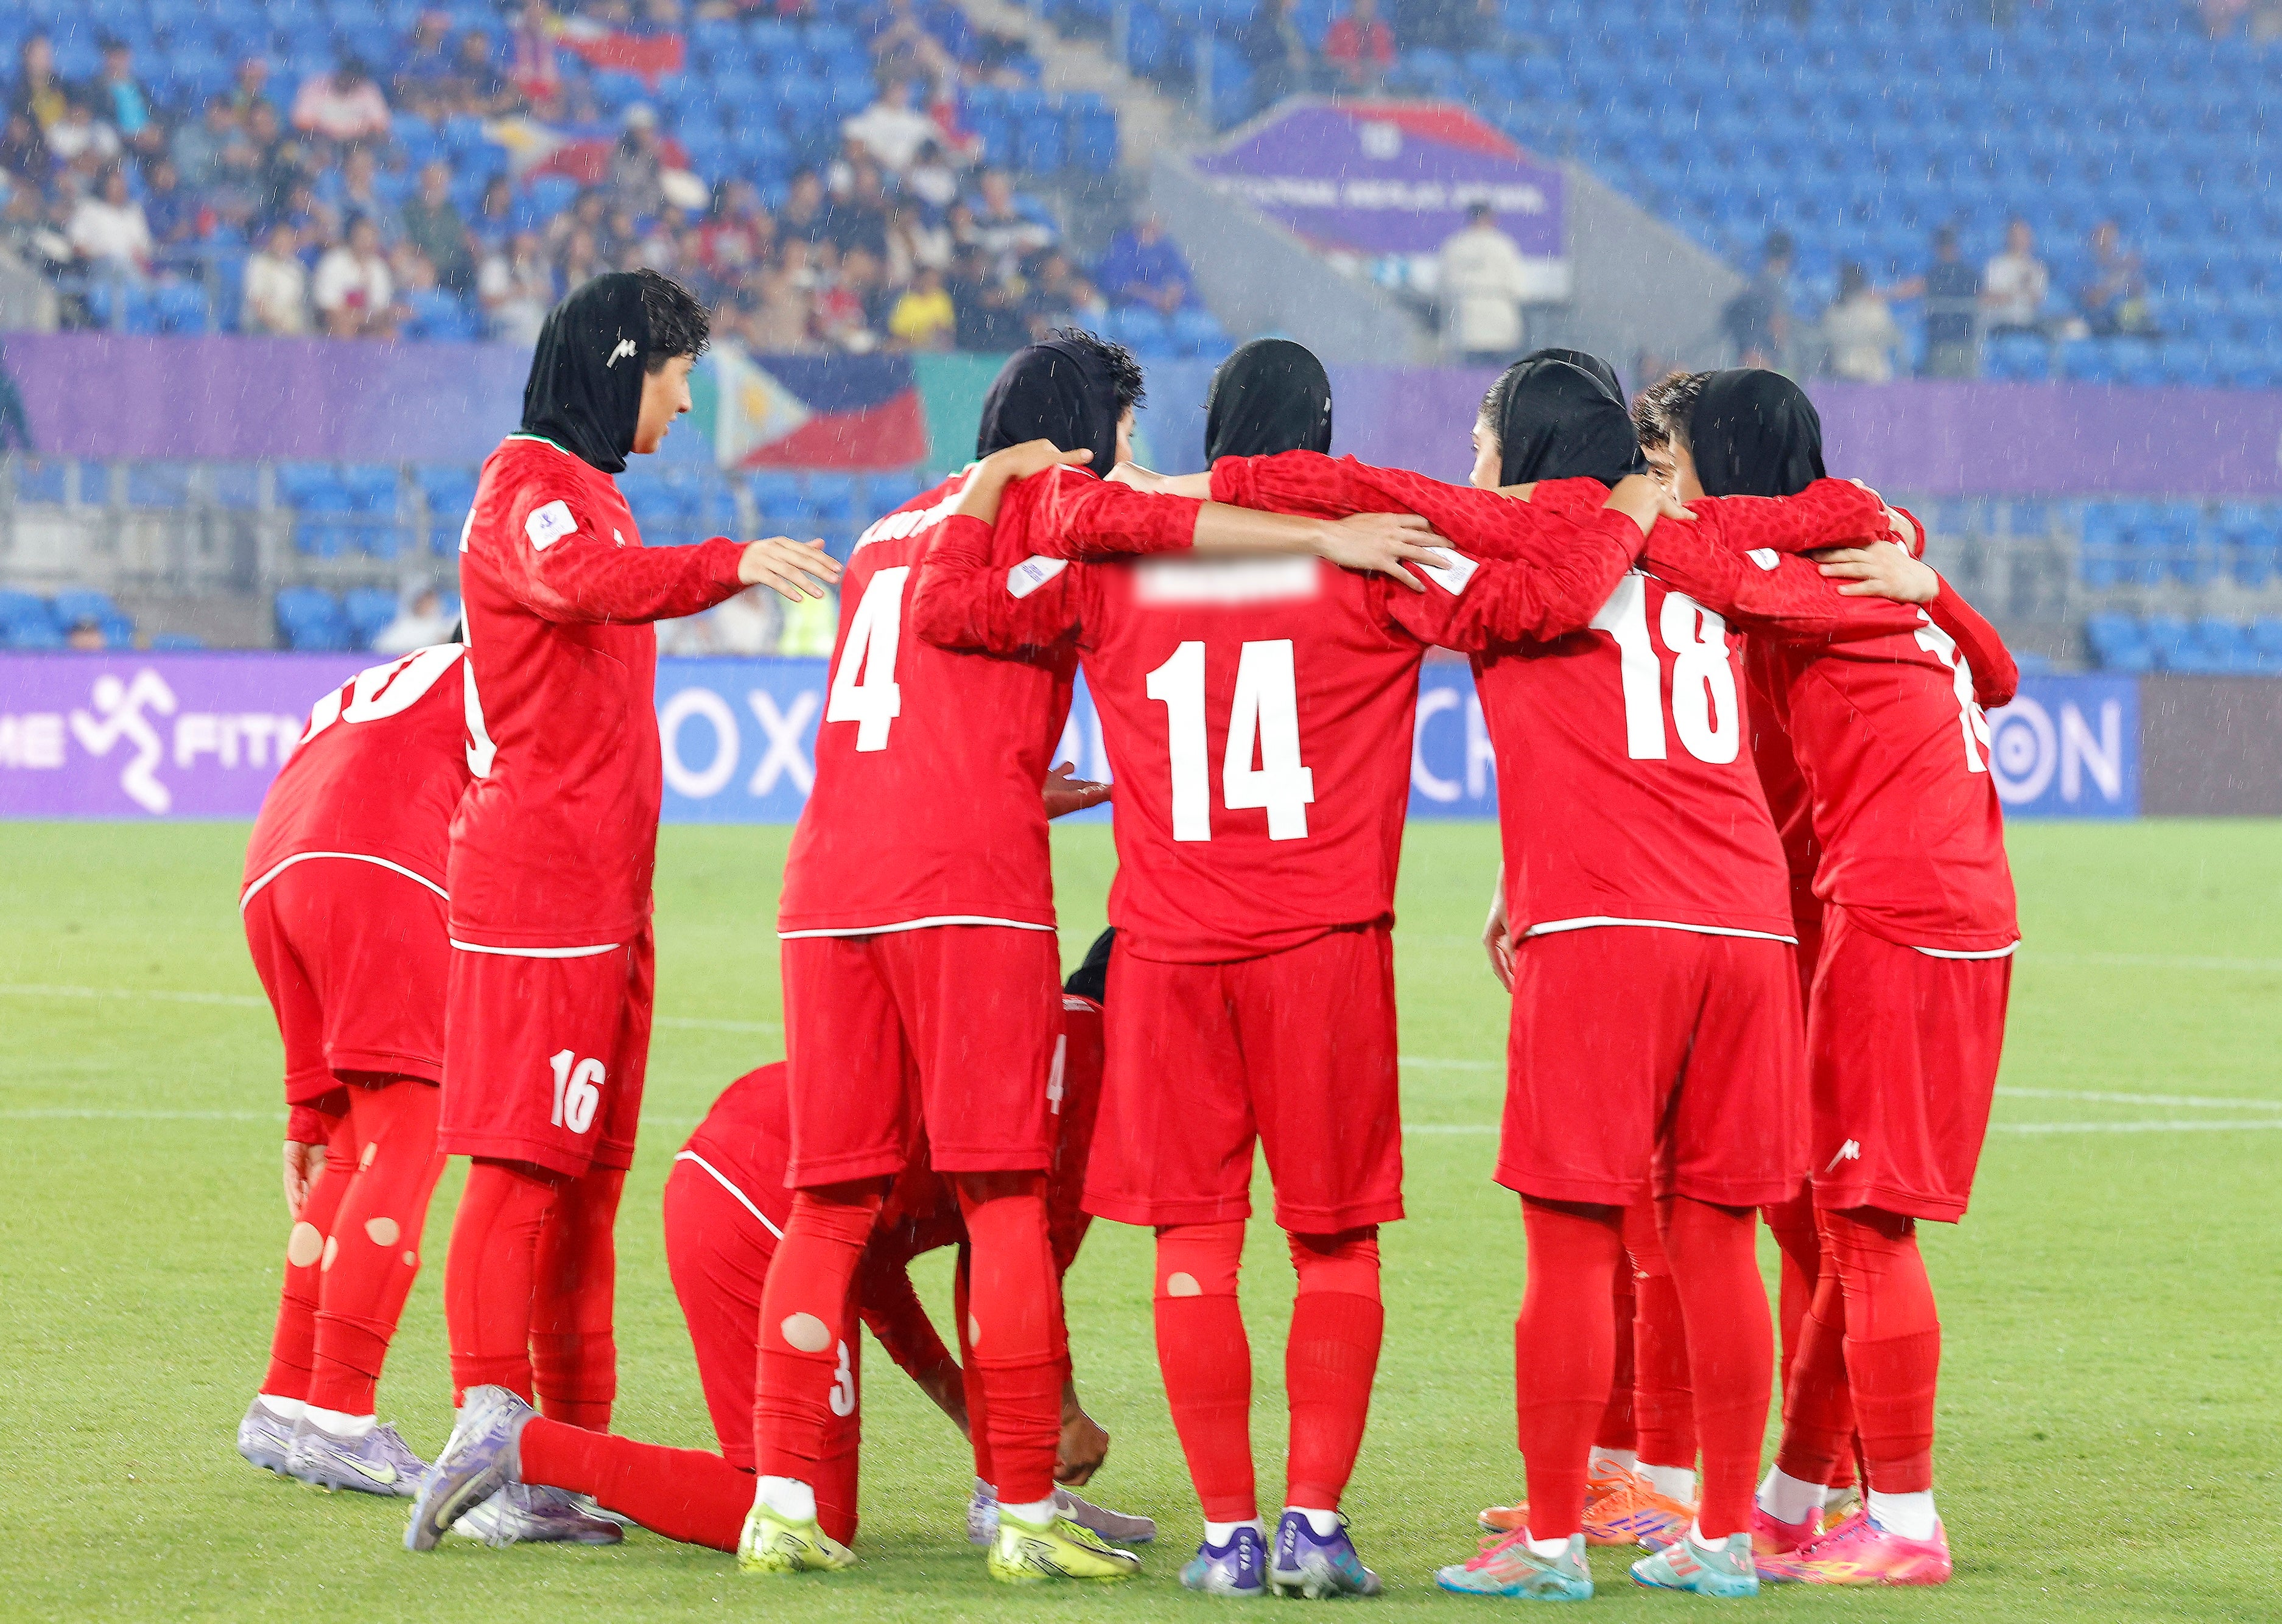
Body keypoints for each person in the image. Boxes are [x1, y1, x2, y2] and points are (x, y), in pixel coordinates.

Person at [1196, 360, 1934, 1603]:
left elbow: (1353, 522)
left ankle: (1547, 1543)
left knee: (1571, 1244)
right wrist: (1911, 555)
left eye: (1481, 439)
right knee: (1713, 1240)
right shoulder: (1698, 542)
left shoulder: (1499, 555)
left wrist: (1189, 497)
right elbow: (1844, 535)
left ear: (1524, 449)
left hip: (1599, 924)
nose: (1469, 461)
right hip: (1747, 927)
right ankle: (1716, 1535)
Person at [915, 340, 1638, 1600]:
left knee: (1193, 1239)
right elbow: (1528, 607)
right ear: (1320, 432)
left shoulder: (1118, 565)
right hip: (1322, 948)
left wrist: (983, 493)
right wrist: (1616, 513)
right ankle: (1312, 1523)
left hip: (1167, 951)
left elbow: (956, 608)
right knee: (1330, 1245)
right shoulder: (1366, 561)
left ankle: (1226, 1536)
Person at [750, 332, 1442, 1584]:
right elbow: (1158, 523)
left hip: (833, 883)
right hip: (987, 893)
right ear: (1083, 441)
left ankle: (783, 1496)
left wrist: (1015, 773)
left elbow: (928, 668)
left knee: (832, 1197)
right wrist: (1329, 526)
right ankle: (1018, 1500)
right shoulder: (1075, 519)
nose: (1140, 461)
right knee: (1005, 1193)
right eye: (1123, 436)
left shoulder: (882, 536)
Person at [409, 271, 840, 1552]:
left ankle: (556, 1459)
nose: (689, 400)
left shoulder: (587, 490)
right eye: (676, 373)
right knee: (519, 1162)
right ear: (617, 363)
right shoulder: (528, 486)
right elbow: (589, 585)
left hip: (604, 895)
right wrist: (728, 565)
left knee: (586, 1179)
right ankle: (485, 1424)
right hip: (537, 888)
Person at [1634, 368, 2020, 1588]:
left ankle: (1904, 1518)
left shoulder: (1816, 590)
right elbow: (1999, 674)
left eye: (1676, 458)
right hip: (1951, 904)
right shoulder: (1876, 576)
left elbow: (1697, 566)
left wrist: (1613, 508)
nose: (1668, 482)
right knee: (1859, 1216)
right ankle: (1795, 1504)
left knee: (1863, 1223)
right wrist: (1924, 569)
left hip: (1894, 909)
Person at [407, 935, 1153, 1555]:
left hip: (740, 1173)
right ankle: (522, 1444)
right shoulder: (1093, 1071)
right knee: (804, 1513)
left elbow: (882, 1267)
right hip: (765, 1203)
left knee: (800, 1500)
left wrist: (994, 1439)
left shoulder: (1048, 1027)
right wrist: (1052, 1421)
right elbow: (1008, 1287)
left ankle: (1011, 1496)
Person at [234, 642, 470, 1500]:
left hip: (271, 880)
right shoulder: (508, 671)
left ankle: (286, 1399)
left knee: (351, 1147)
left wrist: (307, 1112)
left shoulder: (363, 685)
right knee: (413, 1135)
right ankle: (342, 1420)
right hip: (377, 871)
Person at [1440, 203, 1526, 367]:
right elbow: (1518, 287)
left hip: (1467, 327)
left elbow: (1443, 287)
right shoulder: (1503, 246)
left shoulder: (1454, 246)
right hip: (1499, 326)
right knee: (1500, 382)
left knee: (1469, 383)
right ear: (1491, 218)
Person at [1893, 226, 1979, 380]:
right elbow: (1987, 296)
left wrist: (1883, 294)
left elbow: (1911, 290)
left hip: (1945, 343)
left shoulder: (1936, 273)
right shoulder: (1967, 273)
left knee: (1944, 394)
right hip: (1959, 342)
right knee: (1966, 393)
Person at [314, 214, 398, 340]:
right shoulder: (333, 262)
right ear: (353, 238)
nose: (367, 243)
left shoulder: (379, 268)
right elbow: (328, 307)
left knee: (389, 336)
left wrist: (367, 320)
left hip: (368, 322)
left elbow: (381, 308)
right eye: (363, 238)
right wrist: (355, 319)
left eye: (371, 239)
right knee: (345, 330)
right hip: (336, 321)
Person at [402, 159, 476, 295]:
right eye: (431, 179)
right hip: (428, 265)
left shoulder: (450, 209)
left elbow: (463, 237)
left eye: (440, 180)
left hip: (455, 266)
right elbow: (406, 242)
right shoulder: (411, 209)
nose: (435, 184)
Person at [1721, 230, 1792, 369]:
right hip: (1759, 355)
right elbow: (1776, 322)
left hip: (1753, 353)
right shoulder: (1773, 286)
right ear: (1788, 257)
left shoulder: (1758, 282)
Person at [1820, 263, 1901, 383]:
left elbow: (1889, 336)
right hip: (1858, 374)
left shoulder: (1834, 310)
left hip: (1856, 372)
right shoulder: (1874, 307)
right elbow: (1890, 336)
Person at [67, 163, 153, 277]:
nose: (120, 190)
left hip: (133, 266)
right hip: (99, 266)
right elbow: (76, 243)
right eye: (116, 186)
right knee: (117, 262)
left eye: (122, 185)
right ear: (105, 186)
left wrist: (139, 254)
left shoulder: (134, 212)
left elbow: (145, 246)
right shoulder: (88, 209)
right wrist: (98, 255)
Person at [1098, 214, 1195, 315]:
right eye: (1150, 227)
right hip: (1133, 310)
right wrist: (1156, 299)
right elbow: (1120, 283)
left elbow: (1181, 275)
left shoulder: (1167, 246)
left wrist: (1172, 294)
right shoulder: (1122, 246)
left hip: (1176, 310)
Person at [842, 79, 942, 175]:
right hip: (878, 170)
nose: (899, 95)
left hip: (911, 172)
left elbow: (938, 141)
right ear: (887, 92)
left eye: (902, 90)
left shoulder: (915, 119)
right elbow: (851, 134)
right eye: (895, 90)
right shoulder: (872, 115)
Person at [292, 58, 391, 145]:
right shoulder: (315, 85)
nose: (347, 82)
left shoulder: (368, 90)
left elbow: (380, 125)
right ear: (339, 74)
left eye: (353, 80)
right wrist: (329, 135)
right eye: (346, 77)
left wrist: (357, 137)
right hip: (322, 141)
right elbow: (302, 124)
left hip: (358, 142)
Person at [2077, 219, 2148, 338]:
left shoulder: (2124, 265)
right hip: (2094, 323)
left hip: (2123, 323)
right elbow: (2092, 300)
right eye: (2102, 238)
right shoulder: (2086, 267)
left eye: (2110, 239)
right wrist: (2111, 285)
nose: (2107, 243)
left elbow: (2138, 290)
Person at [1981, 217, 2048, 338]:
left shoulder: (2037, 268)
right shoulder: (1996, 265)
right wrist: (2016, 291)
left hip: (2028, 325)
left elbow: (2037, 300)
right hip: (2001, 324)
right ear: (2009, 238)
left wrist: (2025, 288)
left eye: (2024, 235)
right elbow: (1988, 299)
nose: (2020, 240)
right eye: (2016, 235)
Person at [242, 219, 311, 335]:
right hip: (261, 328)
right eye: (279, 240)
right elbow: (257, 305)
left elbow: (300, 307)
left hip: (291, 330)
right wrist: (280, 328)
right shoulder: (258, 264)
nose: (282, 245)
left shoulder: (298, 269)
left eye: (287, 241)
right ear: (271, 242)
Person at [1241, 0, 1310, 113]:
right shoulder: (1263, 25)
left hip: (1291, 80)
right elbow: (1262, 55)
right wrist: (1288, 59)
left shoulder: (1289, 23)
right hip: (1274, 83)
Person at [1324, 0, 1396, 93]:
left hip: (1374, 84)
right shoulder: (1340, 28)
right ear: (1354, 5)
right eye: (1363, 5)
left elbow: (1390, 62)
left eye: (1370, 5)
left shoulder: (1381, 30)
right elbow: (1328, 59)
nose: (1367, 8)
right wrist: (1349, 67)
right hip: (1342, 84)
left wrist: (1371, 69)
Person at [888, 262, 955, 350]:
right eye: (927, 280)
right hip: (909, 347)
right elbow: (896, 330)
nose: (930, 283)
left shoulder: (942, 299)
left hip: (935, 348)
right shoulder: (906, 300)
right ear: (919, 280)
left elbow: (947, 327)